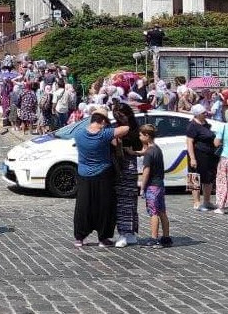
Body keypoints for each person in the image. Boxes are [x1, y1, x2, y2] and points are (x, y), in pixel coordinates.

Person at [72, 106, 130, 247]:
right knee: (105, 207)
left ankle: (80, 237)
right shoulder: (104, 134)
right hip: (103, 174)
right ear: (103, 122)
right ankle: (103, 238)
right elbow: (126, 129)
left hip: (84, 174)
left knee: (83, 206)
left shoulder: (79, 134)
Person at [112, 103, 142, 248]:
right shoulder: (128, 127)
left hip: (127, 167)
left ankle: (126, 233)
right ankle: (128, 232)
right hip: (124, 166)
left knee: (126, 201)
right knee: (126, 201)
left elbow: (139, 147)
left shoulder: (130, 129)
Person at [138, 125, 172, 248]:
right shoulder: (156, 149)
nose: (139, 137)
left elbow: (146, 171)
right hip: (160, 185)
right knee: (162, 211)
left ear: (147, 136)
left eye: (141, 135)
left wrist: (142, 186)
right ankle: (166, 237)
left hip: (152, 186)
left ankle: (154, 238)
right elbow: (144, 151)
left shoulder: (149, 153)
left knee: (154, 213)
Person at [186, 103, 218, 211]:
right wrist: (193, 158)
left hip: (209, 155)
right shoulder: (192, 126)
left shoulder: (205, 123)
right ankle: (196, 202)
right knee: (194, 178)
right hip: (197, 154)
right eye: (203, 113)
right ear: (197, 114)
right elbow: (189, 142)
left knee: (208, 178)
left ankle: (207, 201)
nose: (206, 114)